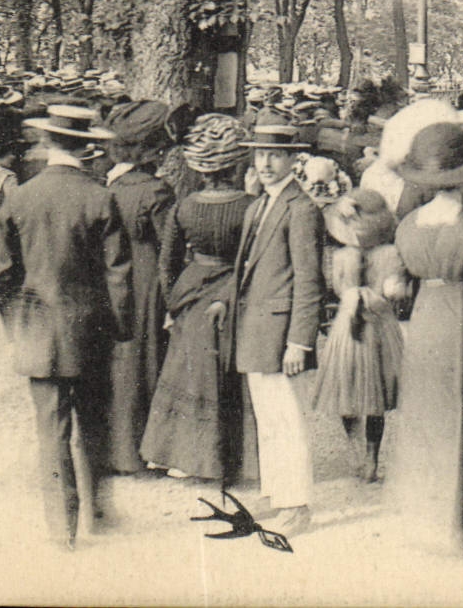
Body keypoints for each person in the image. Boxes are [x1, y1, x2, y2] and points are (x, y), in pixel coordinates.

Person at [0, 104, 133, 550]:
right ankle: (98, 515)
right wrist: (120, 329)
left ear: (47, 141)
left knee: (51, 431)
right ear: (87, 147)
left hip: (37, 331)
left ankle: (61, 528)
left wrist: (17, 328)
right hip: (91, 330)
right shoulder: (100, 197)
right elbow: (118, 274)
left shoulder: (19, 198)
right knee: (93, 424)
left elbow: (1, 277)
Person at [386, 122, 463, 555]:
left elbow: (394, 286)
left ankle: (424, 523)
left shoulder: (407, 225)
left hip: (424, 325)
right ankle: (462, 528)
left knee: (425, 421)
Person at [140, 114, 255, 484]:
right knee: (229, 374)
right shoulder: (252, 206)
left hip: (191, 290)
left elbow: (167, 262)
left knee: (187, 371)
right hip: (234, 288)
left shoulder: (185, 206)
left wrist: (174, 301)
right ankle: (229, 459)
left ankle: (178, 454)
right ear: (237, 165)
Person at [229, 121, 324, 538]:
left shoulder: (301, 209)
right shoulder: (258, 206)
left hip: (281, 333)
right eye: (260, 154)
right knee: (268, 420)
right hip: (256, 328)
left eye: (275, 155)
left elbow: (309, 280)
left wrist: (299, 341)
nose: (265, 163)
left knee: (287, 421)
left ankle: (297, 505)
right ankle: (276, 493)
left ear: (292, 160)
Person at [96, 101, 176, 477]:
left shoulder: (109, 185)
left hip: (114, 279)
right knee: (147, 360)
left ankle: (115, 450)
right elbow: (170, 250)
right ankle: (142, 450)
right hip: (147, 284)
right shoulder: (157, 192)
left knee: (119, 362)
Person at [314, 189, 406, 483]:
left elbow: (337, 288)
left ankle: (357, 451)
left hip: (350, 328)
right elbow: (396, 292)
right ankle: (370, 457)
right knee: (375, 397)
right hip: (379, 325)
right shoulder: (391, 254)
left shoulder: (342, 256)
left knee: (346, 390)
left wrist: (354, 294)